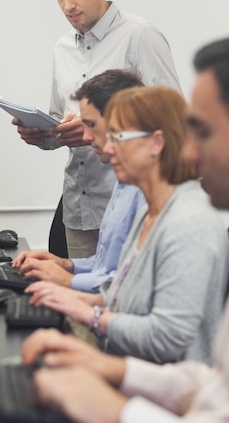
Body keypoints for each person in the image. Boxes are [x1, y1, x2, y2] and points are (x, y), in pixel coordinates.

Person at [21, 29, 229, 423]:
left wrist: (125, 415)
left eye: (204, 133)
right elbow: (223, 387)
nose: (190, 154)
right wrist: (115, 370)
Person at [26, 85, 229, 365]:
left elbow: (166, 339)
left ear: (157, 143)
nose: (107, 147)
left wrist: (87, 313)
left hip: (166, 391)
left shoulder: (189, 223)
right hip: (134, 368)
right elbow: (119, 295)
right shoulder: (154, 213)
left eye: (118, 137)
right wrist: (65, 299)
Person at [12, 0, 181, 258]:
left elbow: (173, 123)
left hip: (131, 207)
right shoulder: (62, 47)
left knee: (120, 300)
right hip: (78, 207)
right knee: (76, 295)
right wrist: (43, 134)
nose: (68, 5)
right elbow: (59, 119)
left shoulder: (140, 36)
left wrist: (99, 128)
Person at [12, 69, 146, 294]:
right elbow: (106, 265)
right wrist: (66, 265)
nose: (84, 137)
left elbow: (131, 286)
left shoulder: (149, 194)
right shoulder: (125, 184)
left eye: (91, 125)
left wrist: (67, 282)